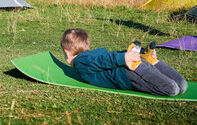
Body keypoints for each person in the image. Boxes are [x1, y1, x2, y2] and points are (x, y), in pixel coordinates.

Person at [60, 28, 188, 96]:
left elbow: (102, 61)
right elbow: (108, 57)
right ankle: (152, 60)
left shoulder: (80, 62)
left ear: (67, 52)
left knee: (172, 89)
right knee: (182, 86)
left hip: (130, 73)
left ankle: (143, 62)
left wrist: (123, 58)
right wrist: (132, 54)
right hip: (134, 66)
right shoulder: (91, 55)